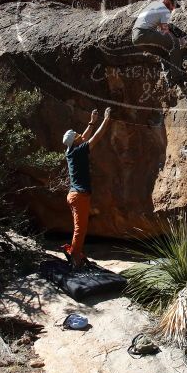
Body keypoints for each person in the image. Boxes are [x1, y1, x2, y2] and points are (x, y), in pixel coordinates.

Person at [61, 107, 112, 268]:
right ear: (75, 142)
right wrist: (106, 120)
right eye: (77, 136)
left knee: (79, 227)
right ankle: (75, 259)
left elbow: (83, 137)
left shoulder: (71, 151)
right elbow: (95, 137)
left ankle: (75, 253)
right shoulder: (78, 151)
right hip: (79, 196)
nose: (80, 136)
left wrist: (92, 121)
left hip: (75, 195)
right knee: (80, 229)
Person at [132, 0, 187, 83]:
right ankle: (177, 77)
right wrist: (180, 40)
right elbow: (164, 30)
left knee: (163, 53)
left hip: (135, 38)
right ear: (167, 1)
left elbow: (159, 28)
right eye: (173, 5)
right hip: (145, 33)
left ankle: (169, 80)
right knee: (174, 43)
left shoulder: (153, 5)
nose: (173, 9)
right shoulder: (164, 9)